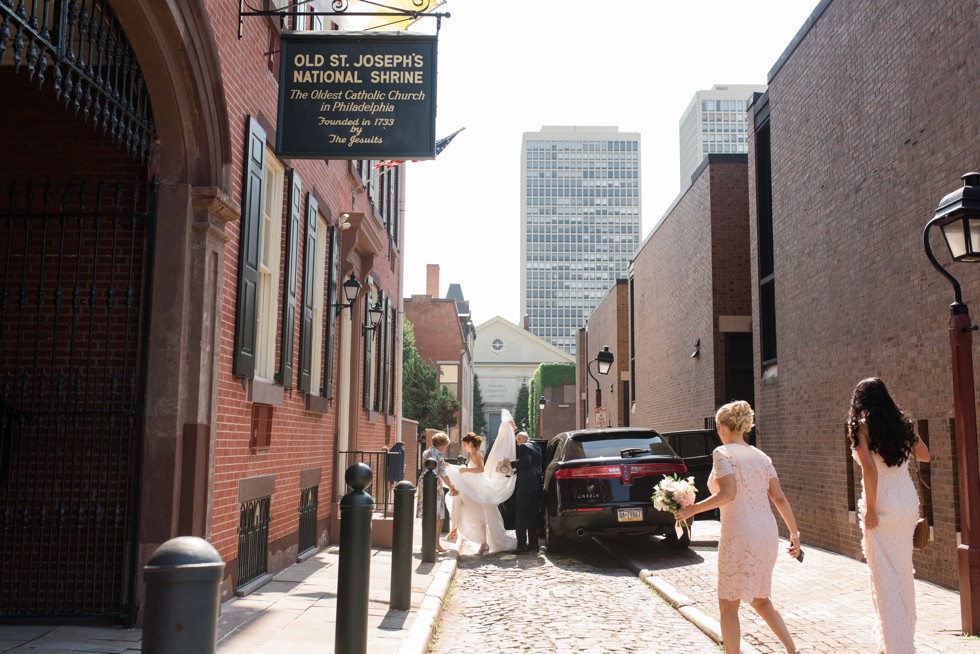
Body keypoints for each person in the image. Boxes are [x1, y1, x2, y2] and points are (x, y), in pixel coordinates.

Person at [674, 400, 802, 654]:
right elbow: (779, 498)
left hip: (740, 533)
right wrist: (794, 535)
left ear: (721, 427)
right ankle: (793, 651)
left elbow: (728, 493)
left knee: (728, 605)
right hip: (766, 533)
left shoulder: (723, 453)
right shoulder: (762, 457)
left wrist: (692, 509)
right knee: (760, 598)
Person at [847, 377, 930, 654]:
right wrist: (903, 437)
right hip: (906, 505)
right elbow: (925, 455)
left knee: (885, 581)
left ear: (860, 401)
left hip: (882, 507)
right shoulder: (901, 425)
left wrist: (870, 509)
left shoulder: (861, 429)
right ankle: (897, 641)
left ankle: (898, 647)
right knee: (903, 574)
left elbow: (869, 471)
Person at [445, 411, 519, 554]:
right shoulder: (472, 455)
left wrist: (464, 471)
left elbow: (480, 469)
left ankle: (479, 541)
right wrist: (453, 467)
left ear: (469, 444)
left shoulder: (476, 455)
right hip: (473, 485)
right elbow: (466, 470)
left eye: (465, 444)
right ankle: (460, 534)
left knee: (481, 515)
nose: (464, 446)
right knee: (471, 512)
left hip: (478, 486)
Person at [416, 431, 458, 553]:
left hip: (423, 482)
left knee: (427, 514)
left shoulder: (426, 452)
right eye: (445, 445)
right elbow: (443, 473)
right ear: (440, 445)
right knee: (439, 515)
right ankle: (436, 544)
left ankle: (425, 543)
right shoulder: (439, 454)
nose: (445, 448)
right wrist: (452, 487)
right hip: (434, 484)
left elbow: (432, 465)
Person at [504, 430, 542, 554]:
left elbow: (526, 462)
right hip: (536, 484)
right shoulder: (536, 446)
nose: (517, 443)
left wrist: (511, 463)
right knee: (532, 515)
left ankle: (521, 546)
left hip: (525, 486)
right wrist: (516, 471)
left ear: (520, 440)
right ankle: (533, 544)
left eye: (517, 441)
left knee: (521, 516)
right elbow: (530, 466)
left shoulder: (523, 447)